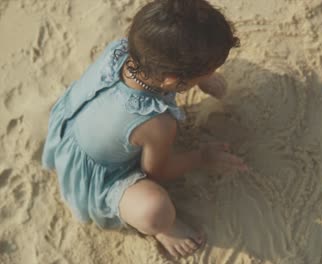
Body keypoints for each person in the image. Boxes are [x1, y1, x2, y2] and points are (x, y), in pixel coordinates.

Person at [42, 0, 246, 258]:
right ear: (173, 80)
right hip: (100, 177)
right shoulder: (157, 123)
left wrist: (200, 78)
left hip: (69, 129)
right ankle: (162, 228)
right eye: (206, 71)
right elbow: (157, 172)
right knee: (155, 209)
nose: (213, 73)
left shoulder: (121, 50)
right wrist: (202, 157)